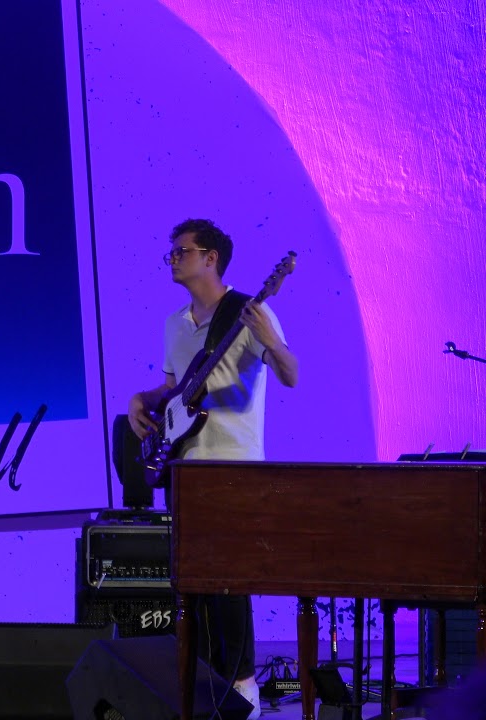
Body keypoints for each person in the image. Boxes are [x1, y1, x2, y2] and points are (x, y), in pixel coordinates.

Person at [127, 218, 298, 719]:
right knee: (192, 582)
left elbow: (290, 374)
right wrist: (142, 398)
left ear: (210, 258)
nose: (173, 259)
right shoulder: (174, 323)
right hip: (185, 466)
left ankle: (244, 686)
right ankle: (200, 683)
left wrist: (270, 335)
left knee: (230, 581)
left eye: (181, 251)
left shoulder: (250, 313)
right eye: (172, 253)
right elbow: (173, 387)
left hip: (234, 465)